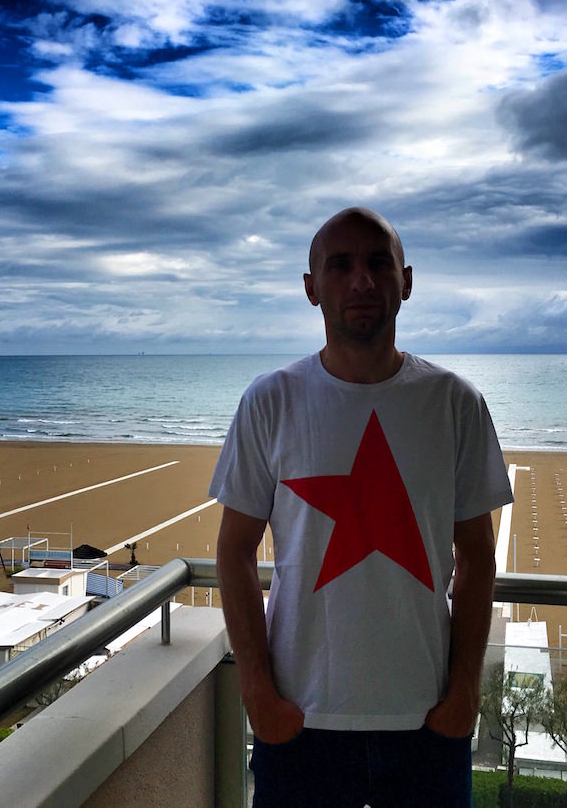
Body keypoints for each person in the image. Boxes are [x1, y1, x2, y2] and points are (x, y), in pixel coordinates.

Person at [211, 207, 513, 807]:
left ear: (406, 281)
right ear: (311, 287)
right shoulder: (269, 402)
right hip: (300, 723)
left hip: (427, 723)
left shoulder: (455, 403)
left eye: (378, 262)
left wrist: (463, 694)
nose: (362, 280)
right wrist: (257, 692)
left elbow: (478, 557)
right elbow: (234, 550)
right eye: (340, 265)